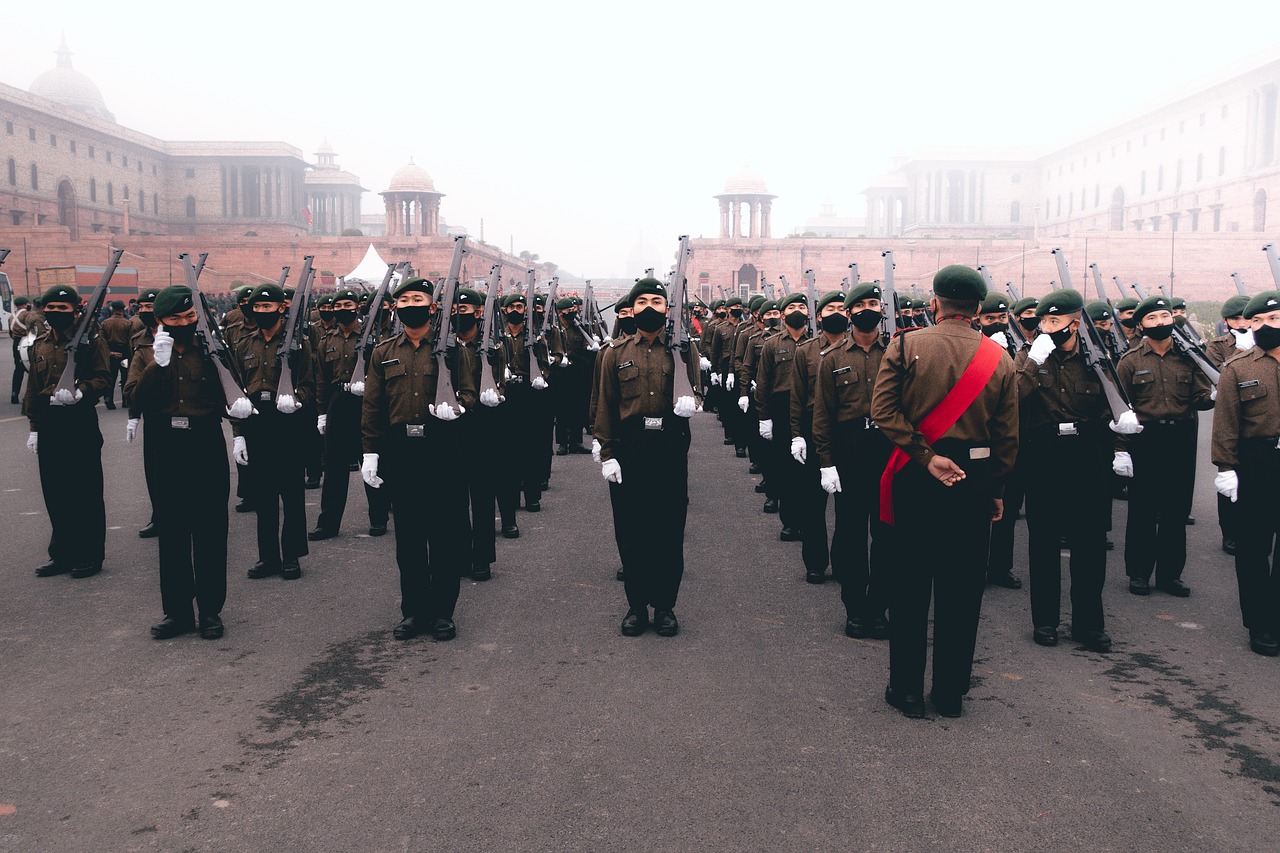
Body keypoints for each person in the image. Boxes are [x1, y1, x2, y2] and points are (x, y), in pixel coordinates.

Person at [871, 265, 1019, 719]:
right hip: (971, 484)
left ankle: (908, 692)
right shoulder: (1001, 359)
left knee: (910, 587)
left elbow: (882, 410)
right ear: (978, 309)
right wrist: (994, 490)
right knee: (961, 592)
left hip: (917, 479)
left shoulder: (905, 344)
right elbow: (1007, 437)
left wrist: (924, 454)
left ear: (934, 304)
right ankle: (951, 693)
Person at [361, 276, 476, 641]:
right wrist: (370, 452)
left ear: (433, 306)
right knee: (408, 540)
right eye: (404, 299)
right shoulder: (383, 351)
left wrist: (456, 408)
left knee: (444, 537)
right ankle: (414, 612)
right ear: (395, 307)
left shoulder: (454, 350)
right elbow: (373, 406)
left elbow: (471, 394)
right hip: (401, 451)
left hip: (442, 448)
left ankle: (442, 612)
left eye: (418, 298)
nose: (411, 304)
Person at [594, 278, 701, 637]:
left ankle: (666, 606)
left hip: (670, 446)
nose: (650, 308)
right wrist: (606, 452)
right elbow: (606, 407)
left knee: (669, 531)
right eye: (643, 302)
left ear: (668, 309)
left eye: (658, 301)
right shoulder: (616, 353)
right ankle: (637, 606)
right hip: (631, 447)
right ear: (632, 309)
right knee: (632, 531)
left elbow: (698, 390)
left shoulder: (684, 350)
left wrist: (694, 402)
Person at [1016, 290, 1116, 652]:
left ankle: (1089, 623)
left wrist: (1122, 443)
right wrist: (1031, 362)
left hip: (1086, 452)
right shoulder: (1028, 357)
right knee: (1043, 540)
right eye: (1043, 321)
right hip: (1043, 453)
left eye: (1054, 322)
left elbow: (1112, 407)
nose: (1046, 327)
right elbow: (1010, 397)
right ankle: (1045, 621)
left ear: (1075, 324)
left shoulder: (1097, 360)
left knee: (1089, 542)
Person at [130, 285, 230, 640]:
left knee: (210, 531)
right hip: (165, 445)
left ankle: (210, 611)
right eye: (176, 318)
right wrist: (157, 365)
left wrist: (241, 416)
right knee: (172, 532)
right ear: (160, 321)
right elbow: (135, 398)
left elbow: (232, 394)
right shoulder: (146, 353)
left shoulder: (213, 351)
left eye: (191, 317)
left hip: (205, 442)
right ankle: (177, 612)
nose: (185, 323)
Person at [1114, 295, 1214, 597]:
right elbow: (1118, 407)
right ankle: (1139, 573)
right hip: (1146, 438)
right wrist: (1120, 448)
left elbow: (1199, 397)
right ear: (1142, 325)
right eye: (1152, 319)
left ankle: (1170, 575)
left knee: (1176, 509)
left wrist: (1214, 396)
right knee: (1143, 508)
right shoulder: (1130, 361)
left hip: (1180, 437)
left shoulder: (1188, 357)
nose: (1160, 323)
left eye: (1165, 317)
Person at [812, 283, 893, 638]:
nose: (867, 310)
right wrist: (826, 461)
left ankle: (879, 607)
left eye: (873, 303)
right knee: (851, 534)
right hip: (851, 447)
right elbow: (823, 415)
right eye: (860, 305)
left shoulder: (897, 353)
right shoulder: (832, 358)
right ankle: (855, 608)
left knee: (888, 534)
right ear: (848, 313)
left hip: (889, 446)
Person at [229, 283, 315, 581]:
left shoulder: (298, 344)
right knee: (263, 496)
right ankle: (268, 557)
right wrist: (238, 432)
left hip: (288, 423)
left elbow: (309, 383)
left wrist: (297, 398)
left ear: (282, 308)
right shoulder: (244, 345)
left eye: (269, 306)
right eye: (258, 307)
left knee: (291, 494)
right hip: (256, 421)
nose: (262, 311)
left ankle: (291, 555)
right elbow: (237, 390)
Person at [24, 284, 110, 579]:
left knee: (84, 491)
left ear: (76, 311)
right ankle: (61, 553)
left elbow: (103, 378)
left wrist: (81, 391)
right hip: (50, 421)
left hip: (79, 420)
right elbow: (34, 388)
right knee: (56, 491)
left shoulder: (89, 341)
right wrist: (34, 426)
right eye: (52, 308)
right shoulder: (40, 344)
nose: (57, 312)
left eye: (64, 308)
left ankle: (89, 555)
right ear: (43, 310)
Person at [1211, 290, 1280, 656]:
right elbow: (1225, 424)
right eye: (1257, 321)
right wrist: (1226, 467)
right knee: (1253, 548)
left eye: (1273, 319)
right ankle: (1260, 622)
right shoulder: (1238, 368)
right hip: (1257, 462)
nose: (1265, 326)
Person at [309, 288, 390, 540]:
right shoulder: (327, 340)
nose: (342, 309)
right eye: (338, 305)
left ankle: (378, 518)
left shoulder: (372, 336)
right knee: (334, 466)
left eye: (348, 304)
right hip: (338, 402)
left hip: (366, 403)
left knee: (371, 459)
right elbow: (321, 379)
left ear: (358, 307)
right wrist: (322, 412)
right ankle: (328, 523)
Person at [789, 289, 847, 584]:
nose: (836, 312)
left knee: (847, 506)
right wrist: (796, 434)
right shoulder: (806, 351)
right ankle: (815, 561)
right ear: (819, 316)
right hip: (814, 429)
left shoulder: (855, 348)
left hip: (847, 430)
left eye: (841, 307)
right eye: (830, 308)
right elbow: (797, 398)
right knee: (813, 503)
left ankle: (843, 561)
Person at [755, 293, 812, 541]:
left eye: (802, 306)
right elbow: (764, 383)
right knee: (787, 468)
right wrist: (764, 416)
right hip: (782, 407)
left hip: (811, 408)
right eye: (792, 307)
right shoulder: (772, 344)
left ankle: (808, 522)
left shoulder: (817, 344)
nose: (797, 311)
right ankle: (790, 522)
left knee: (808, 470)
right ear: (782, 314)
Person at [1206, 294, 1253, 555]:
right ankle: (1230, 532)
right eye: (1237, 317)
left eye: (1248, 316)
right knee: (1230, 476)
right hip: (1232, 418)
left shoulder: (1267, 340)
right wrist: (1240, 351)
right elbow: (1215, 374)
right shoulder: (1218, 345)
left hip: (1262, 420)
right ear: (1226, 321)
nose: (1243, 322)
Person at [123, 287, 164, 538]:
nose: (145, 312)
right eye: (142, 308)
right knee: (154, 469)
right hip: (153, 412)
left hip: (179, 408)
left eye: (150, 307)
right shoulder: (137, 338)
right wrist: (133, 415)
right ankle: (158, 515)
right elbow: (133, 382)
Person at [99, 301, 133, 410]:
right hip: (124, 352)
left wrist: (109, 352)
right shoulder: (128, 323)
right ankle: (125, 400)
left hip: (110, 351)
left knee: (111, 377)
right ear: (123, 310)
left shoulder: (105, 323)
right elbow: (130, 340)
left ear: (112, 310)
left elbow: (101, 340)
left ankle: (108, 399)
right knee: (125, 377)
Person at [10, 295, 33, 404]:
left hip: (15, 342)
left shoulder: (11, 316)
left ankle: (14, 393)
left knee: (18, 369)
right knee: (31, 368)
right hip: (26, 342)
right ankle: (30, 396)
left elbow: (11, 333)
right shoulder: (27, 315)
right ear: (25, 304)